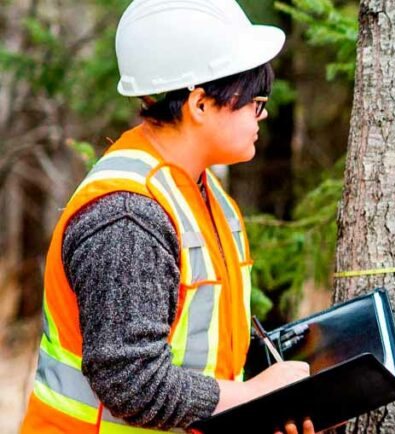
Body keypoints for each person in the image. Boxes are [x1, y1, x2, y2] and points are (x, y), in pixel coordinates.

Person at [20, 1, 314, 433]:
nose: (263, 113)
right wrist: (257, 394)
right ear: (199, 104)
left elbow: (205, 357)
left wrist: (263, 405)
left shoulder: (203, 194)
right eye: (256, 100)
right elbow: (131, 382)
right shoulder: (127, 217)